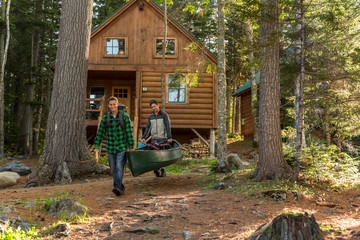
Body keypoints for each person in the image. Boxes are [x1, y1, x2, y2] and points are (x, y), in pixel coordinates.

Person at [94, 96, 134, 196]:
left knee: (119, 168)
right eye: (111, 105)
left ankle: (116, 187)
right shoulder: (106, 118)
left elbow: (129, 132)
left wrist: (131, 145)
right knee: (113, 170)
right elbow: (100, 133)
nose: (112, 106)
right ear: (108, 105)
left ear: (117, 104)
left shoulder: (124, 117)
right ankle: (120, 187)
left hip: (122, 147)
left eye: (114, 104)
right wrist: (96, 146)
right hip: (110, 147)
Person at [141, 99, 172, 177]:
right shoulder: (150, 117)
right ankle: (157, 169)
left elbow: (168, 126)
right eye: (152, 107)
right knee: (155, 155)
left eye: (155, 106)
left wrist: (169, 137)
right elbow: (148, 128)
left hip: (163, 138)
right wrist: (144, 137)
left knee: (161, 156)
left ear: (158, 105)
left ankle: (162, 170)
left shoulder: (164, 115)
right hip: (154, 139)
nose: (153, 108)